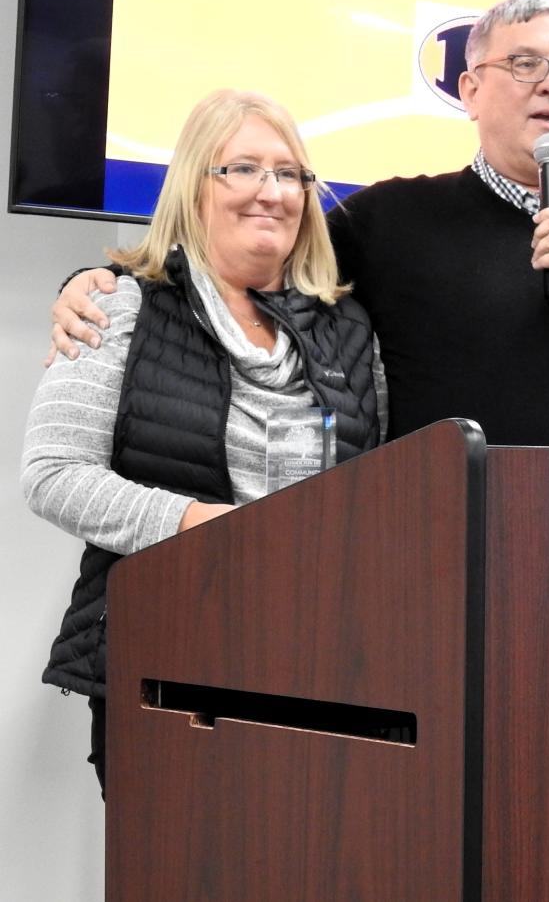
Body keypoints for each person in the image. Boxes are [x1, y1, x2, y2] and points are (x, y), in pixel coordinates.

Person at [48, 0, 549, 449]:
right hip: (447, 560)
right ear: (469, 89)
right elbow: (246, 267)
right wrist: (101, 281)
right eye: (525, 63)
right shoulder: (393, 216)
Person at [22, 89, 380, 796]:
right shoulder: (118, 304)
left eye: (290, 175)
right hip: (167, 662)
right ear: (194, 184)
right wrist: (208, 527)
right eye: (242, 168)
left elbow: (373, 492)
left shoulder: (351, 331)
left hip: (320, 667)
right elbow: (53, 473)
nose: (270, 192)